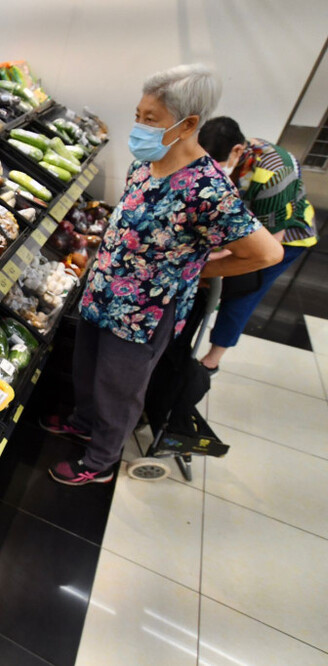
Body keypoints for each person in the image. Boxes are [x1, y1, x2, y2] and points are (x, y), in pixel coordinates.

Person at [40, 64, 283, 486]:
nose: (139, 127)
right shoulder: (147, 163)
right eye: (138, 115)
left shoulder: (209, 190)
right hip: (103, 295)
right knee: (87, 368)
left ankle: (99, 461)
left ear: (188, 124)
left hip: (143, 313)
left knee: (119, 388)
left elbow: (265, 252)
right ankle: (83, 420)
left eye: (150, 120)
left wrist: (199, 268)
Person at [196, 117, 319, 373]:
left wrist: (212, 262)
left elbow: (268, 246)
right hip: (247, 229)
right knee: (209, 281)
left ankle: (211, 361)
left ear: (237, 150)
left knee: (243, 291)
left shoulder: (274, 174)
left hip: (284, 238)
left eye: (216, 165)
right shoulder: (226, 156)